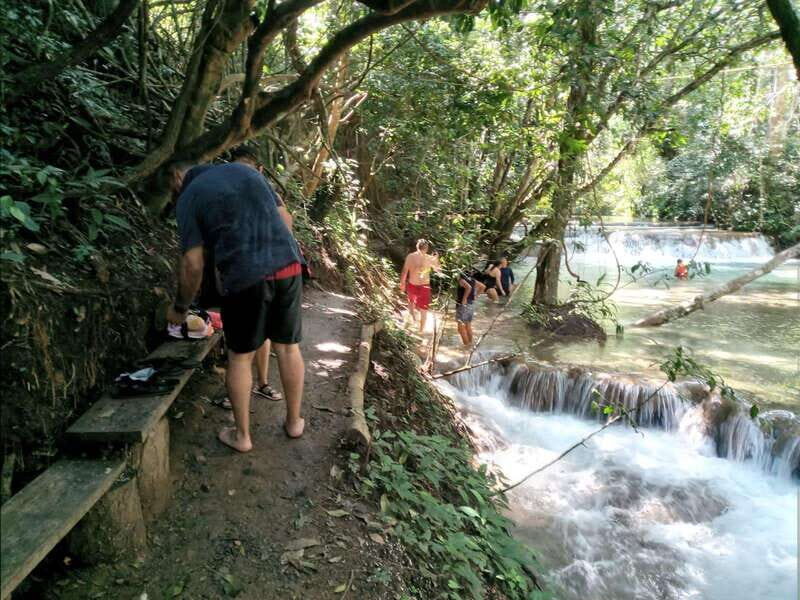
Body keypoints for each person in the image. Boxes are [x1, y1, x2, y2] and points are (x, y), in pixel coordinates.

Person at [166, 153, 306, 453]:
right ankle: (294, 422)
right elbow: (285, 219)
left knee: (240, 356)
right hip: (289, 265)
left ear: (178, 178)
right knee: (288, 347)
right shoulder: (247, 173)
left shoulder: (189, 196)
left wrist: (180, 308)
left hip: (246, 276)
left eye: (171, 188)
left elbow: (193, 263)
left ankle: (242, 436)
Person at [399, 239, 441, 333]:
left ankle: (413, 321)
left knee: (411, 303)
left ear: (417, 246)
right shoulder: (429, 258)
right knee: (424, 309)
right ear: (427, 248)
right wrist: (437, 259)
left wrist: (402, 283)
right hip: (424, 286)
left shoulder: (410, 256)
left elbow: (405, 271)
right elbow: (439, 270)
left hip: (412, 284)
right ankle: (421, 330)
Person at [455, 271, 485, 348]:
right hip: (471, 304)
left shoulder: (461, 280)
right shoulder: (473, 280)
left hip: (463, 305)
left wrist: (464, 299)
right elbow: (483, 287)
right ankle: (470, 344)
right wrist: (476, 296)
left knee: (460, 328)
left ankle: (466, 346)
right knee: (468, 325)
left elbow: (469, 287)